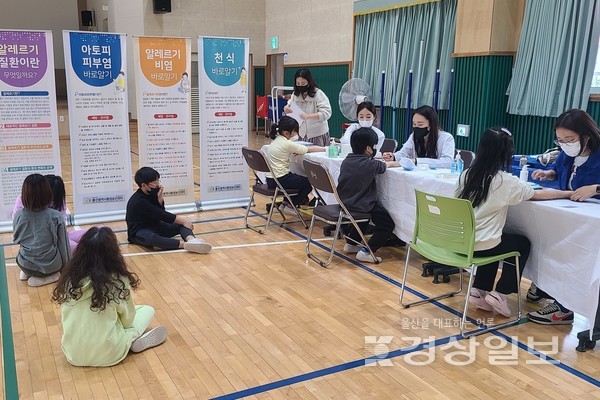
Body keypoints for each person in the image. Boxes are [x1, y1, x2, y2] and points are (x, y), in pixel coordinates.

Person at [455, 127, 572, 317]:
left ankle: (479, 290)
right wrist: (568, 193)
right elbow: (537, 194)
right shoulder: (505, 181)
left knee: (495, 240)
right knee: (520, 244)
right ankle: (500, 294)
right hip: (480, 244)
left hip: (460, 241)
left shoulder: (466, 174)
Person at [52, 227, 167, 367]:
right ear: (113, 252)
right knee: (147, 310)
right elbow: (128, 320)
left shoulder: (69, 279)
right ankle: (130, 340)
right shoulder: (116, 279)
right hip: (110, 354)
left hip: (73, 354)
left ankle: (121, 339)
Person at [527, 109, 600, 324]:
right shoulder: (566, 154)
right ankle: (544, 287)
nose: (565, 143)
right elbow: (562, 171)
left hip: (592, 220)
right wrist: (550, 173)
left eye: (570, 139)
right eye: (560, 140)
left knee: (574, 254)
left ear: (586, 135)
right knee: (545, 241)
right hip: (569, 213)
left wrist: (596, 188)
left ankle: (565, 306)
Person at [337, 127, 399, 263]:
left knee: (363, 219)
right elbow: (386, 166)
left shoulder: (347, 160)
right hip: (362, 203)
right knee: (387, 225)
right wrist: (396, 162)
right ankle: (367, 251)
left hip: (346, 203)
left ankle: (351, 244)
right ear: (369, 149)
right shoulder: (370, 164)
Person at [126, 167, 211, 253]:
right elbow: (161, 214)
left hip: (155, 226)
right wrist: (184, 220)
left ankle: (192, 240)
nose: (158, 184)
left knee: (181, 225)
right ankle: (185, 245)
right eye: (155, 182)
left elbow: (159, 213)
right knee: (153, 238)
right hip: (139, 231)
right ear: (144, 185)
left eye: (158, 181)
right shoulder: (139, 201)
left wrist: (160, 199)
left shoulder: (152, 193)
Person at [13, 174, 71, 287]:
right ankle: (50, 276)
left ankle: (28, 273)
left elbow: (16, 239)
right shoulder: (55, 216)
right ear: (47, 192)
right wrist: (65, 267)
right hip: (51, 266)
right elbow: (63, 245)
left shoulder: (19, 214)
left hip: (24, 264)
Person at [12, 174, 87, 252]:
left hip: (58, 236)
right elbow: (19, 236)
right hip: (46, 242)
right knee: (78, 248)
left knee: (96, 233)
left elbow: (61, 226)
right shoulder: (22, 206)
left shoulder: (57, 204)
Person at [266, 116, 325, 207]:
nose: (296, 134)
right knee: (310, 182)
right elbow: (307, 149)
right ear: (286, 133)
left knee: (298, 176)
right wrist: (325, 149)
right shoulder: (287, 143)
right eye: (294, 132)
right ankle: (292, 202)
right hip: (280, 179)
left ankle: (289, 200)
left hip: (270, 179)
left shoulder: (276, 140)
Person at [383, 105, 455, 168]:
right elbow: (404, 152)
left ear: (431, 125)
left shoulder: (446, 138)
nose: (416, 127)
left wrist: (417, 161)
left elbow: (447, 162)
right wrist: (393, 156)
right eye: (414, 124)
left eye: (420, 125)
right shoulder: (413, 136)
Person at [283, 68, 332, 146]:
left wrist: (308, 116)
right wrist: (286, 108)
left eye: (303, 83)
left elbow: (327, 113)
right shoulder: (295, 95)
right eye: (298, 84)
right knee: (303, 156)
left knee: (316, 156)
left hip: (317, 133)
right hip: (302, 133)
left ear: (309, 82)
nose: (300, 86)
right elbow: (289, 105)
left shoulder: (318, 94)